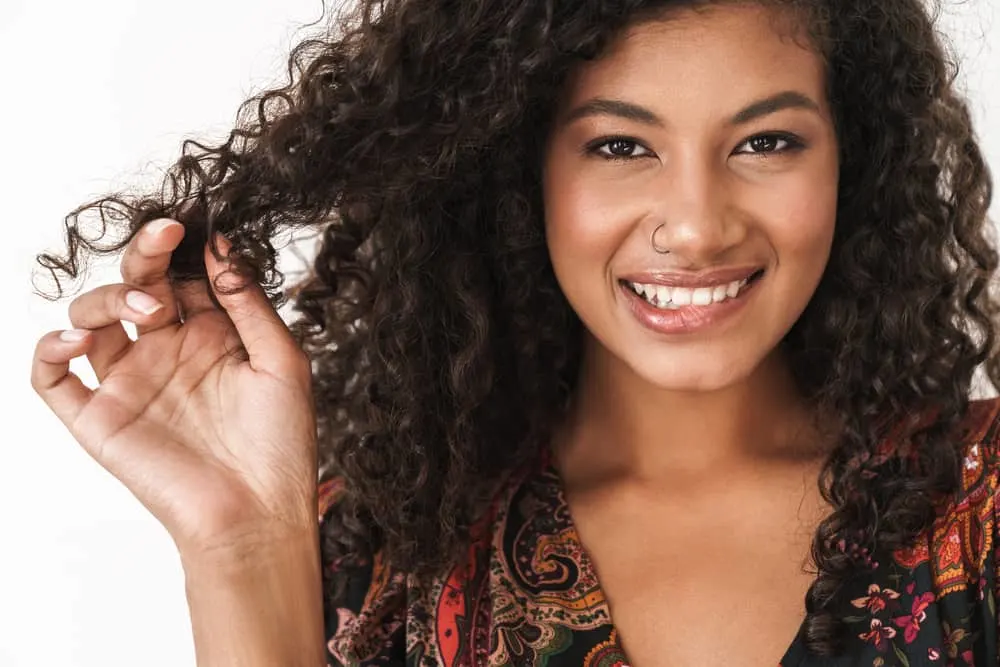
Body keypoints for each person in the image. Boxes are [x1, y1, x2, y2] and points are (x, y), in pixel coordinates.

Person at [29, 0, 1000, 664]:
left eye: (765, 142)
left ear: (853, 155)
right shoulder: (379, 558)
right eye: (620, 145)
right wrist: (242, 548)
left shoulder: (982, 508)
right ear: (517, 169)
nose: (698, 224)